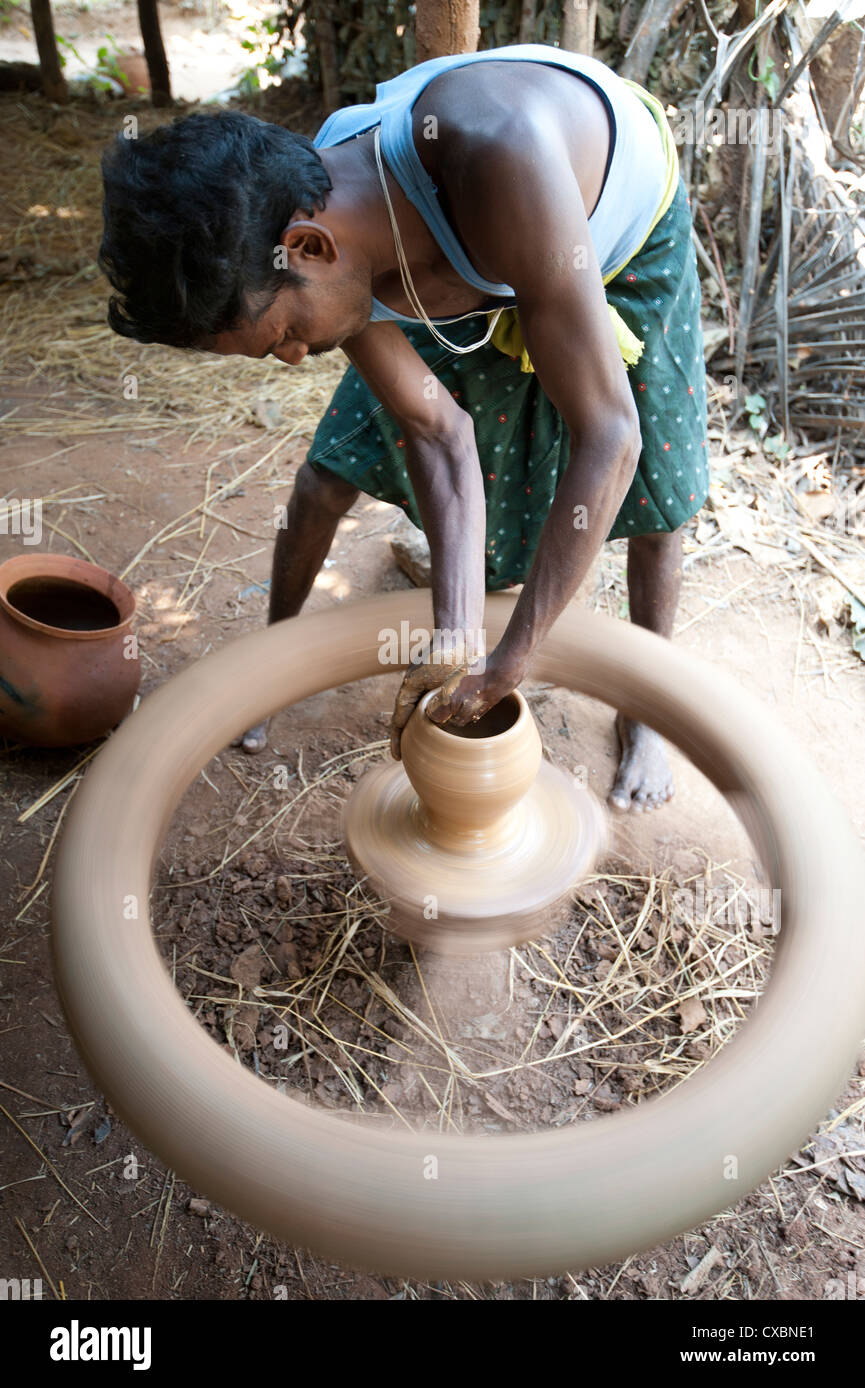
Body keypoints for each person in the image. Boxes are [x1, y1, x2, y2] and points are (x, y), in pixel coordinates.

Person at [99, 42, 709, 812]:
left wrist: (513, 657)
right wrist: (455, 639)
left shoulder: (498, 152)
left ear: (310, 249)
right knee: (329, 471)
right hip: (451, 267)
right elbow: (436, 431)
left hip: (615, 233)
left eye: (283, 334)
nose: (291, 359)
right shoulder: (305, 231)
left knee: (655, 490)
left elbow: (609, 437)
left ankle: (644, 711)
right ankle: (270, 666)